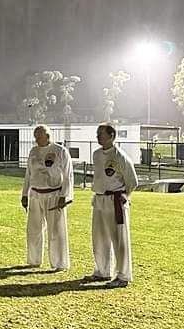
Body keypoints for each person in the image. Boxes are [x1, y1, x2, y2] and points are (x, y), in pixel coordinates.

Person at [86, 123, 138, 288]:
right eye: (97, 133)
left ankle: (123, 275)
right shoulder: (96, 155)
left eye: (101, 134)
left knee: (119, 238)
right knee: (99, 237)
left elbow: (133, 181)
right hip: (99, 198)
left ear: (111, 136)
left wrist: (125, 195)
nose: (98, 137)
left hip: (115, 200)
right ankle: (102, 271)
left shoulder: (120, 156)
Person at [20, 124, 73, 271]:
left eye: (39, 136)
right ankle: (34, 260)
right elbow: (28, 174)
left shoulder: (60, 151)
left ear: (48, 136)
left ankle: (59, 263)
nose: (36, 139)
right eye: (35, 136)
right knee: (33, 229)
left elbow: (68, 175)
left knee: (55, 230)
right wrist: (24, 194)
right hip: (35, 194)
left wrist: (64, 195)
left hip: (54, 194)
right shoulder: (33, 151)